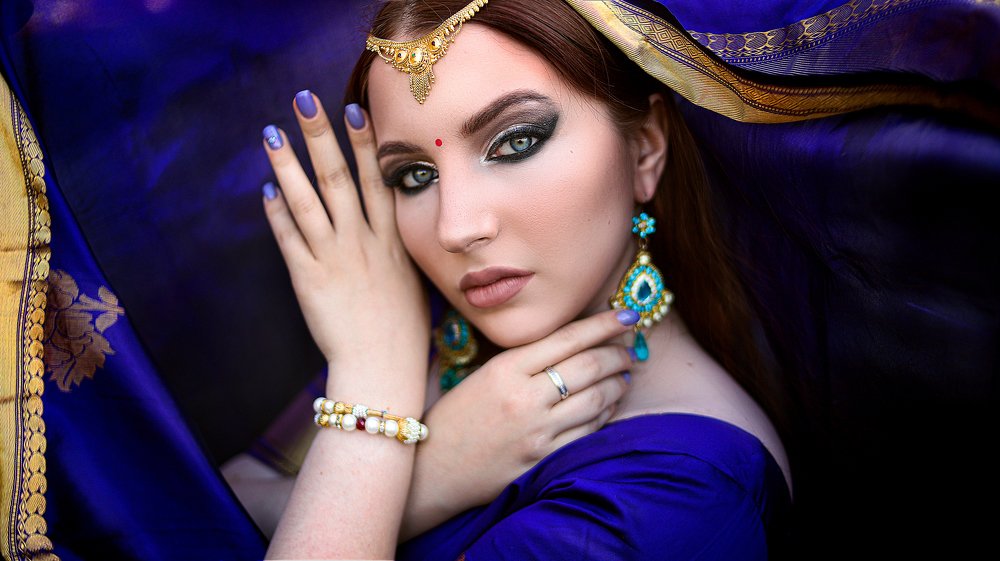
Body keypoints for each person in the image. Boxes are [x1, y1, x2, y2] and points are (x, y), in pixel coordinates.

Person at [228, 0, 999, 558]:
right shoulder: (418, 335)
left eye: (514, 141)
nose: (458, 226)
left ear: (646, 149)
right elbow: (211, 492)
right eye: (414, 175)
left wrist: (373, 411)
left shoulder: (674, 500)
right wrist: (425, 470)